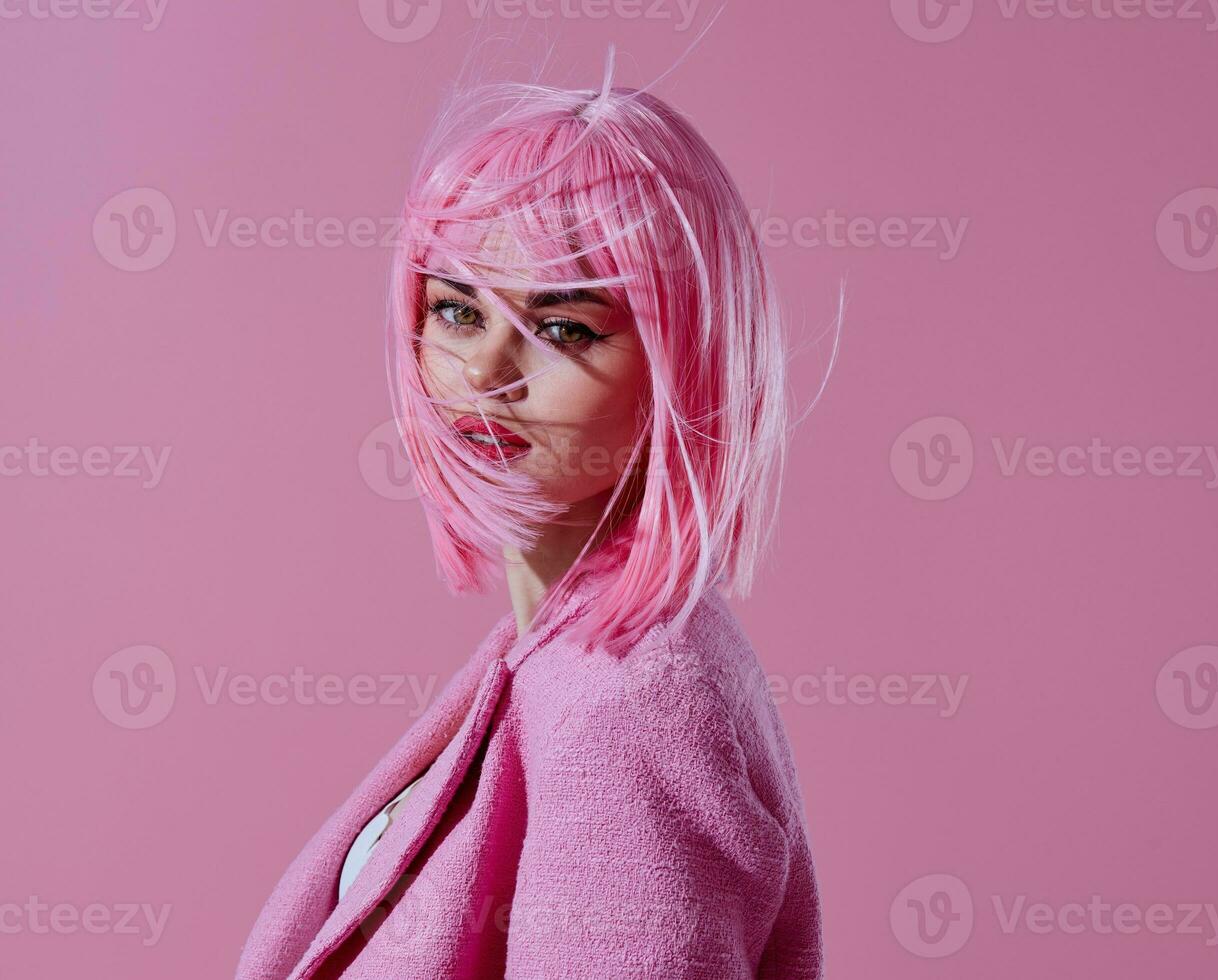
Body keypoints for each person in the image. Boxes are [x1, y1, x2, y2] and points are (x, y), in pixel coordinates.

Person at [235, 65, 824, 979]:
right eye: (458, 311)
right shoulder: (563, 655)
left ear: (685, 364)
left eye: (563, 328)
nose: (485, 372)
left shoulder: (630, 699)